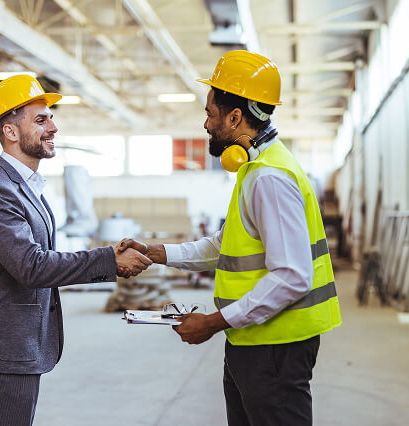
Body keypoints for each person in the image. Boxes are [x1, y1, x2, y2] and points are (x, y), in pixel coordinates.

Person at [119, 50, 342, 425]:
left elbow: (293, 276)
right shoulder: (254, 170)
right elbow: (223, 246)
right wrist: (155, 252)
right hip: (252, 341)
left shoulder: (269, 178)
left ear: (235, 116)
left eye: (210, 113)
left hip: (275, 348)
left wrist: (213, 322)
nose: (206, 124)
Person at [0, 75, 152, 426]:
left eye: (50, 117)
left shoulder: (27, 188)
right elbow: (30, 266)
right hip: (1, 354)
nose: (53, 127)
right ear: (10, 132)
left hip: (20, 349)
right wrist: (108, 259)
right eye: (41, 119)